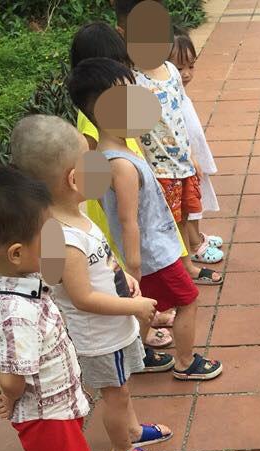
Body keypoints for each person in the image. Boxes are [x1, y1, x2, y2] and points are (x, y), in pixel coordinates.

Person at [11, 115, 173, 451]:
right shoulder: (63, 238)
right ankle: (122, 448)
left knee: (123, 385)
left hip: (112, 327)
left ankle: (132, 429)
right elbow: (82, 297)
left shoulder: (75, 215)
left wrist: (122, 277)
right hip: (99, 338)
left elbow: (98, 260)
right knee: (116, 393)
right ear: (74, 179)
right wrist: (134, 305)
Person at [0, 166, 130, 451]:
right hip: (44, 414)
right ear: (17, 253)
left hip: (55, 403)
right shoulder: (16, 311)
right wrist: (8, 396)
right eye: (49, 236)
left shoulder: (25, 281)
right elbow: (13, 377)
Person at [67, 57, 223, 382]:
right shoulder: (121, 165)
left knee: (146, 306)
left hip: (151, 252)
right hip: (153, 256)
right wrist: (135, 266)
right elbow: (128, 221)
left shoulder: (119, 153)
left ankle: (136, 355)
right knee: (188, 300)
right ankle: (185, 363)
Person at [70, 19, 179, 361]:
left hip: (132, 196)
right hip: (114, 208)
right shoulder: (94, 123)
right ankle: (138, 333)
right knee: (129, 272)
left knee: (137, 273)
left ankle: (145, 317)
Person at [133, 37, 224, 287]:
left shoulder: (170, 71)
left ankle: (185, 263)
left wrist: (190, 154)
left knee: (183, 215)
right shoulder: (133, 80)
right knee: (167, 222)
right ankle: (181, 268)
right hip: (159, 169)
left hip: (182, 163)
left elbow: (179, 118)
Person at [168, 26, 224, 267]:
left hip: (193, 156)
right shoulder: (166, 93)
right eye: (179, 68)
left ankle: (197, 237)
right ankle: (194, 245)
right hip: (183, 158)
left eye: (191, 66)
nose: (187, 74)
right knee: (188, 203)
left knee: (196, 199)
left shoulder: (178, 90)